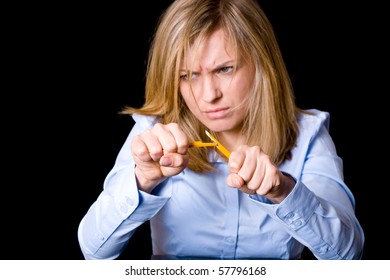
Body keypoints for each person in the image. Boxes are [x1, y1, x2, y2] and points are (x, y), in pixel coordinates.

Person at [78, 0, 364, 260]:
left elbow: (347, 256)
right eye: (187, 76)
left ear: (262, 64)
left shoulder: (307, 134)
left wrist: (284, 191)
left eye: (225, 69)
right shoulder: (154, 133)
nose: (208, 95)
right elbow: (93, 249)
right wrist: (143, 179)